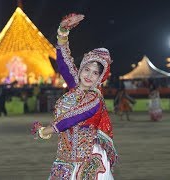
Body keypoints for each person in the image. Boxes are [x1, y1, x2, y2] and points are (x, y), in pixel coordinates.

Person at [30, 13, 118, 179]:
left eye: (95, 73)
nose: (89, 75)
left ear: (100, 78)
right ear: (81, 68)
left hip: (88, 158)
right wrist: (63, 31)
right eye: (86, 69)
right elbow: (64, 62)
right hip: (64, 159)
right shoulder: (76, 86)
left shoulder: (94, 98)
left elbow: (74, 116)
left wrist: (48, 129)